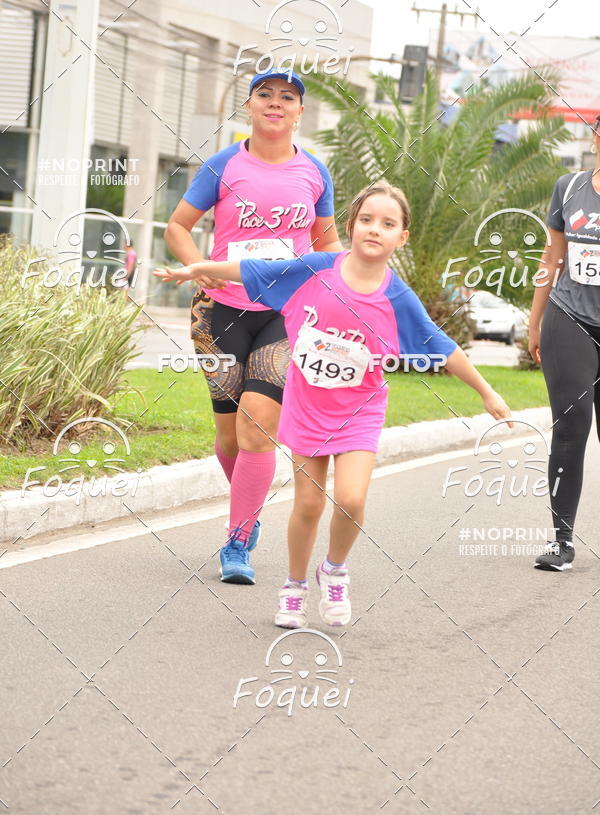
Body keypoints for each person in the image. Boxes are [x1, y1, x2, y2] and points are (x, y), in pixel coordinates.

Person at [155, 180, 512, 627]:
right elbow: (255, 271)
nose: (374, 229)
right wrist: (198, 269)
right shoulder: (318, 268)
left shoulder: (397, 296)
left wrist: (486, 391)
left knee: (351, 499)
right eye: (366, 220)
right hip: (307, 405)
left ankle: (335, 570)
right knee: (308, 504)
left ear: (402, 237)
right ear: (352, 225)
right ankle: (294, 586)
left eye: (387, 223)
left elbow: (439, 343)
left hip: (360, 410)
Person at [163, 67, 342, 585]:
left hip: (285, 315)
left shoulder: (314, 173)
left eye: (288, 97)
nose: (276, 103)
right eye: (265, 94)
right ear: (250, 106)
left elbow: (328, 247)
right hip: (219, 312)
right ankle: (251, 512)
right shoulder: (223, 165)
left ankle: (237, 540)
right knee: (228, 436)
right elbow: (178, 225)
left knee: (257, 424)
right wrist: (198, 267)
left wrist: (337, 287)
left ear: (299, 112)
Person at [529, 114, 600, 572]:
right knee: (571, 430)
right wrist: (534, 320)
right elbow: (552, 256)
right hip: (570, 317)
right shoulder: (570, 187)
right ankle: (561, 542)